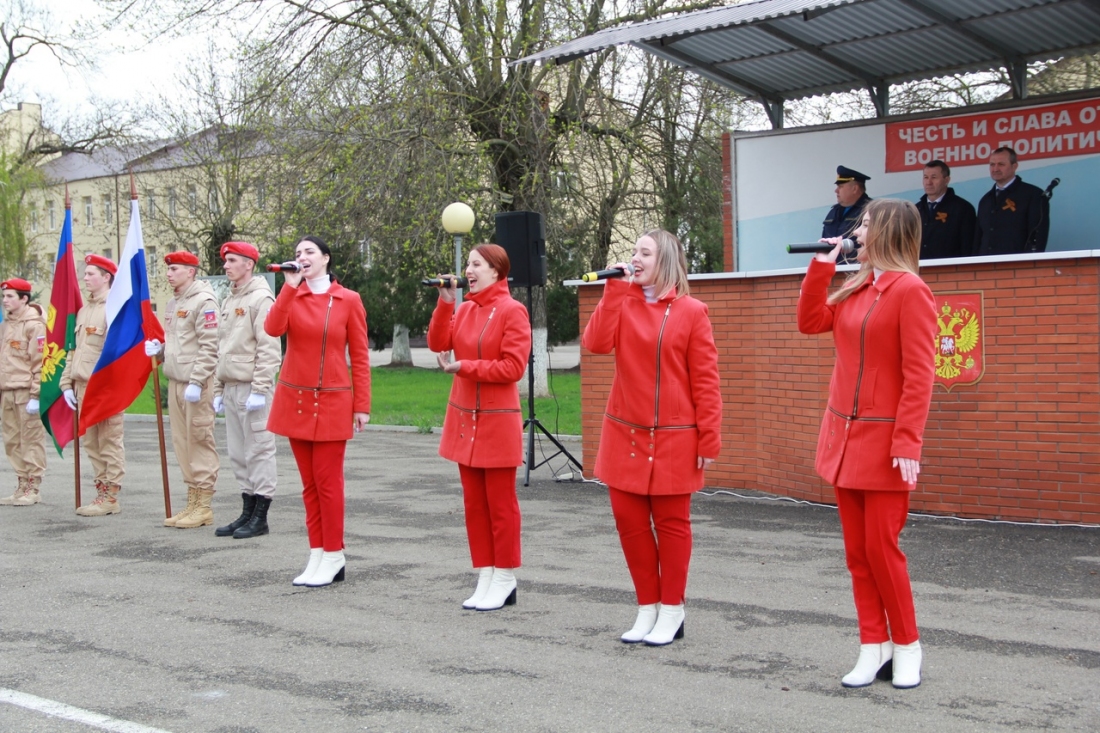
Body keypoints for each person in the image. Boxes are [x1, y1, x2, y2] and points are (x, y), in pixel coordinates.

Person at [798, 199, 937, 689]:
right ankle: (872, 645)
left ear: (887, 232)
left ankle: (907, 645)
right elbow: (810, 320)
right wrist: (824, 264)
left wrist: (907, 442)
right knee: (857, 553)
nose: (857, 231)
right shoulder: (856, 286)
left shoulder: (910, 290)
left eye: (865, 224)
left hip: (884, 444)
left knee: (883, 549)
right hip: (844, 438)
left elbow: (920, 374)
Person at [581, 230, 722, 646]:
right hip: (623, 432)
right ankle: (646, 606)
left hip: (675, 436)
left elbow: (706, 382)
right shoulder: (621, 301)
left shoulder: (692, 311)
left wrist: (709, 439)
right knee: (630, 523)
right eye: (633, 252)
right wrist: (612, 291)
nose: (635, 259)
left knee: (672, 525)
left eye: (645, 252)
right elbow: (595, 344)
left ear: (666, 261)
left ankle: (672, 609)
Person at [426, 244, 532, 612]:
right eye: (467, 264)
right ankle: (485, 573)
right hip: (463, 419)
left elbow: (512, 369)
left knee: (500, 505)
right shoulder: (466, 308)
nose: (468, 270)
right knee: (474, 505)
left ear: (496, 271)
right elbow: (438, 343)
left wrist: (466, 367)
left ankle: (505, 577)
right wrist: (445, 303)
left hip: (497, 420)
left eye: (476, 265)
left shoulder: (513, 311)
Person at [264, 235, 371, 587]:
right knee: (308, 485)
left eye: (309, 252)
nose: (302, 257)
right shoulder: (292, 295)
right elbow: (272, 328)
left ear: (326, 258)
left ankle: (334, 555)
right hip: (295, 399)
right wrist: (289, 288)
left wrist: (362, 405)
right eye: (297, 253)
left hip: (332, 401)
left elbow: (360, 356)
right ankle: (317, 553)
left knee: (328, 484)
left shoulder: (348, 300)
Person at [145, 251, 221, 529]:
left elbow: (210, 347)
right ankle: (191, 499)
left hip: (194, 384)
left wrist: (198, 381)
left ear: (190, 271)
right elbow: (182, 344)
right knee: (182, 443)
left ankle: (203, 506)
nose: (168, 273)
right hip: (177, 382)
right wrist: (161, 351)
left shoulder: (204, 301)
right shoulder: (173, 303)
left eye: (174, 269)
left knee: (199, 439)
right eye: (168, 269)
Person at [212, 241, 281, 539]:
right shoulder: (230, 299)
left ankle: (261, 515)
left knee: (259, 450)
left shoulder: (261, 298)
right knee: (239, 453)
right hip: (232, 386)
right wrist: (217, 389)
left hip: (253, 389)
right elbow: (221, 348)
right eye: (226, 261)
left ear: (248, 264)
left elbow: (268, 348)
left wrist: (260, 388)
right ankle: (247, 510)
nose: (226, 266)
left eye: (232, 260)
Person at [61, 255, 126, 516]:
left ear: (106, 277)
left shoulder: (114, 308)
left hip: (105, 387)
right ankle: (100, 491)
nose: (85, 278)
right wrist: (67, 383)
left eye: (90, 274)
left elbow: (118, 353)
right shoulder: (85, 310)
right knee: (91, 442)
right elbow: (73, 350)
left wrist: (109, 386)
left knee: (109, 440)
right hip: (82, 385)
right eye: (85, 274)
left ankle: (110, 495)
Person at [0, 277, 47, 506]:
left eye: (10, 296)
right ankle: (21, 483)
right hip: (7, 390)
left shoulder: (34, 325)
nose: (5, 301)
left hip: (26, 391)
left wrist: (36, 394)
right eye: (4, 296)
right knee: (12, 440)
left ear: (24, 298)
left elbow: (39, 361)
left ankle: (34, 486)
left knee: (31, 439)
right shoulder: (7, 324)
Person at [974, 146, 1050, 255]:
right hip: (986, 267)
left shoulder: (1033, 195)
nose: (995, 169)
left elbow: (1038, 238)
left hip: (1018, 266)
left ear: (1014, 166)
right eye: (992, 164)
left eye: (1001, 164)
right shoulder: (985, 200)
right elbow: (978, 239)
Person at [916, 160, 976, 259]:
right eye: (926, 177)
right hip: (919, 270)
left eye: (934, 177)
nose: (929, 182)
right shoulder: (915, 210)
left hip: (952, 271)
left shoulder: (963, 209)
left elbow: (968, 247)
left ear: (946, 180)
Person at [822, 166, 872, 264]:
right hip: (832, 269)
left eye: (840, 187)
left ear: (854, 188)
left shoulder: (871, 210)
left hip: (857, 270)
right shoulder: (834, 211)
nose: (836, 191)